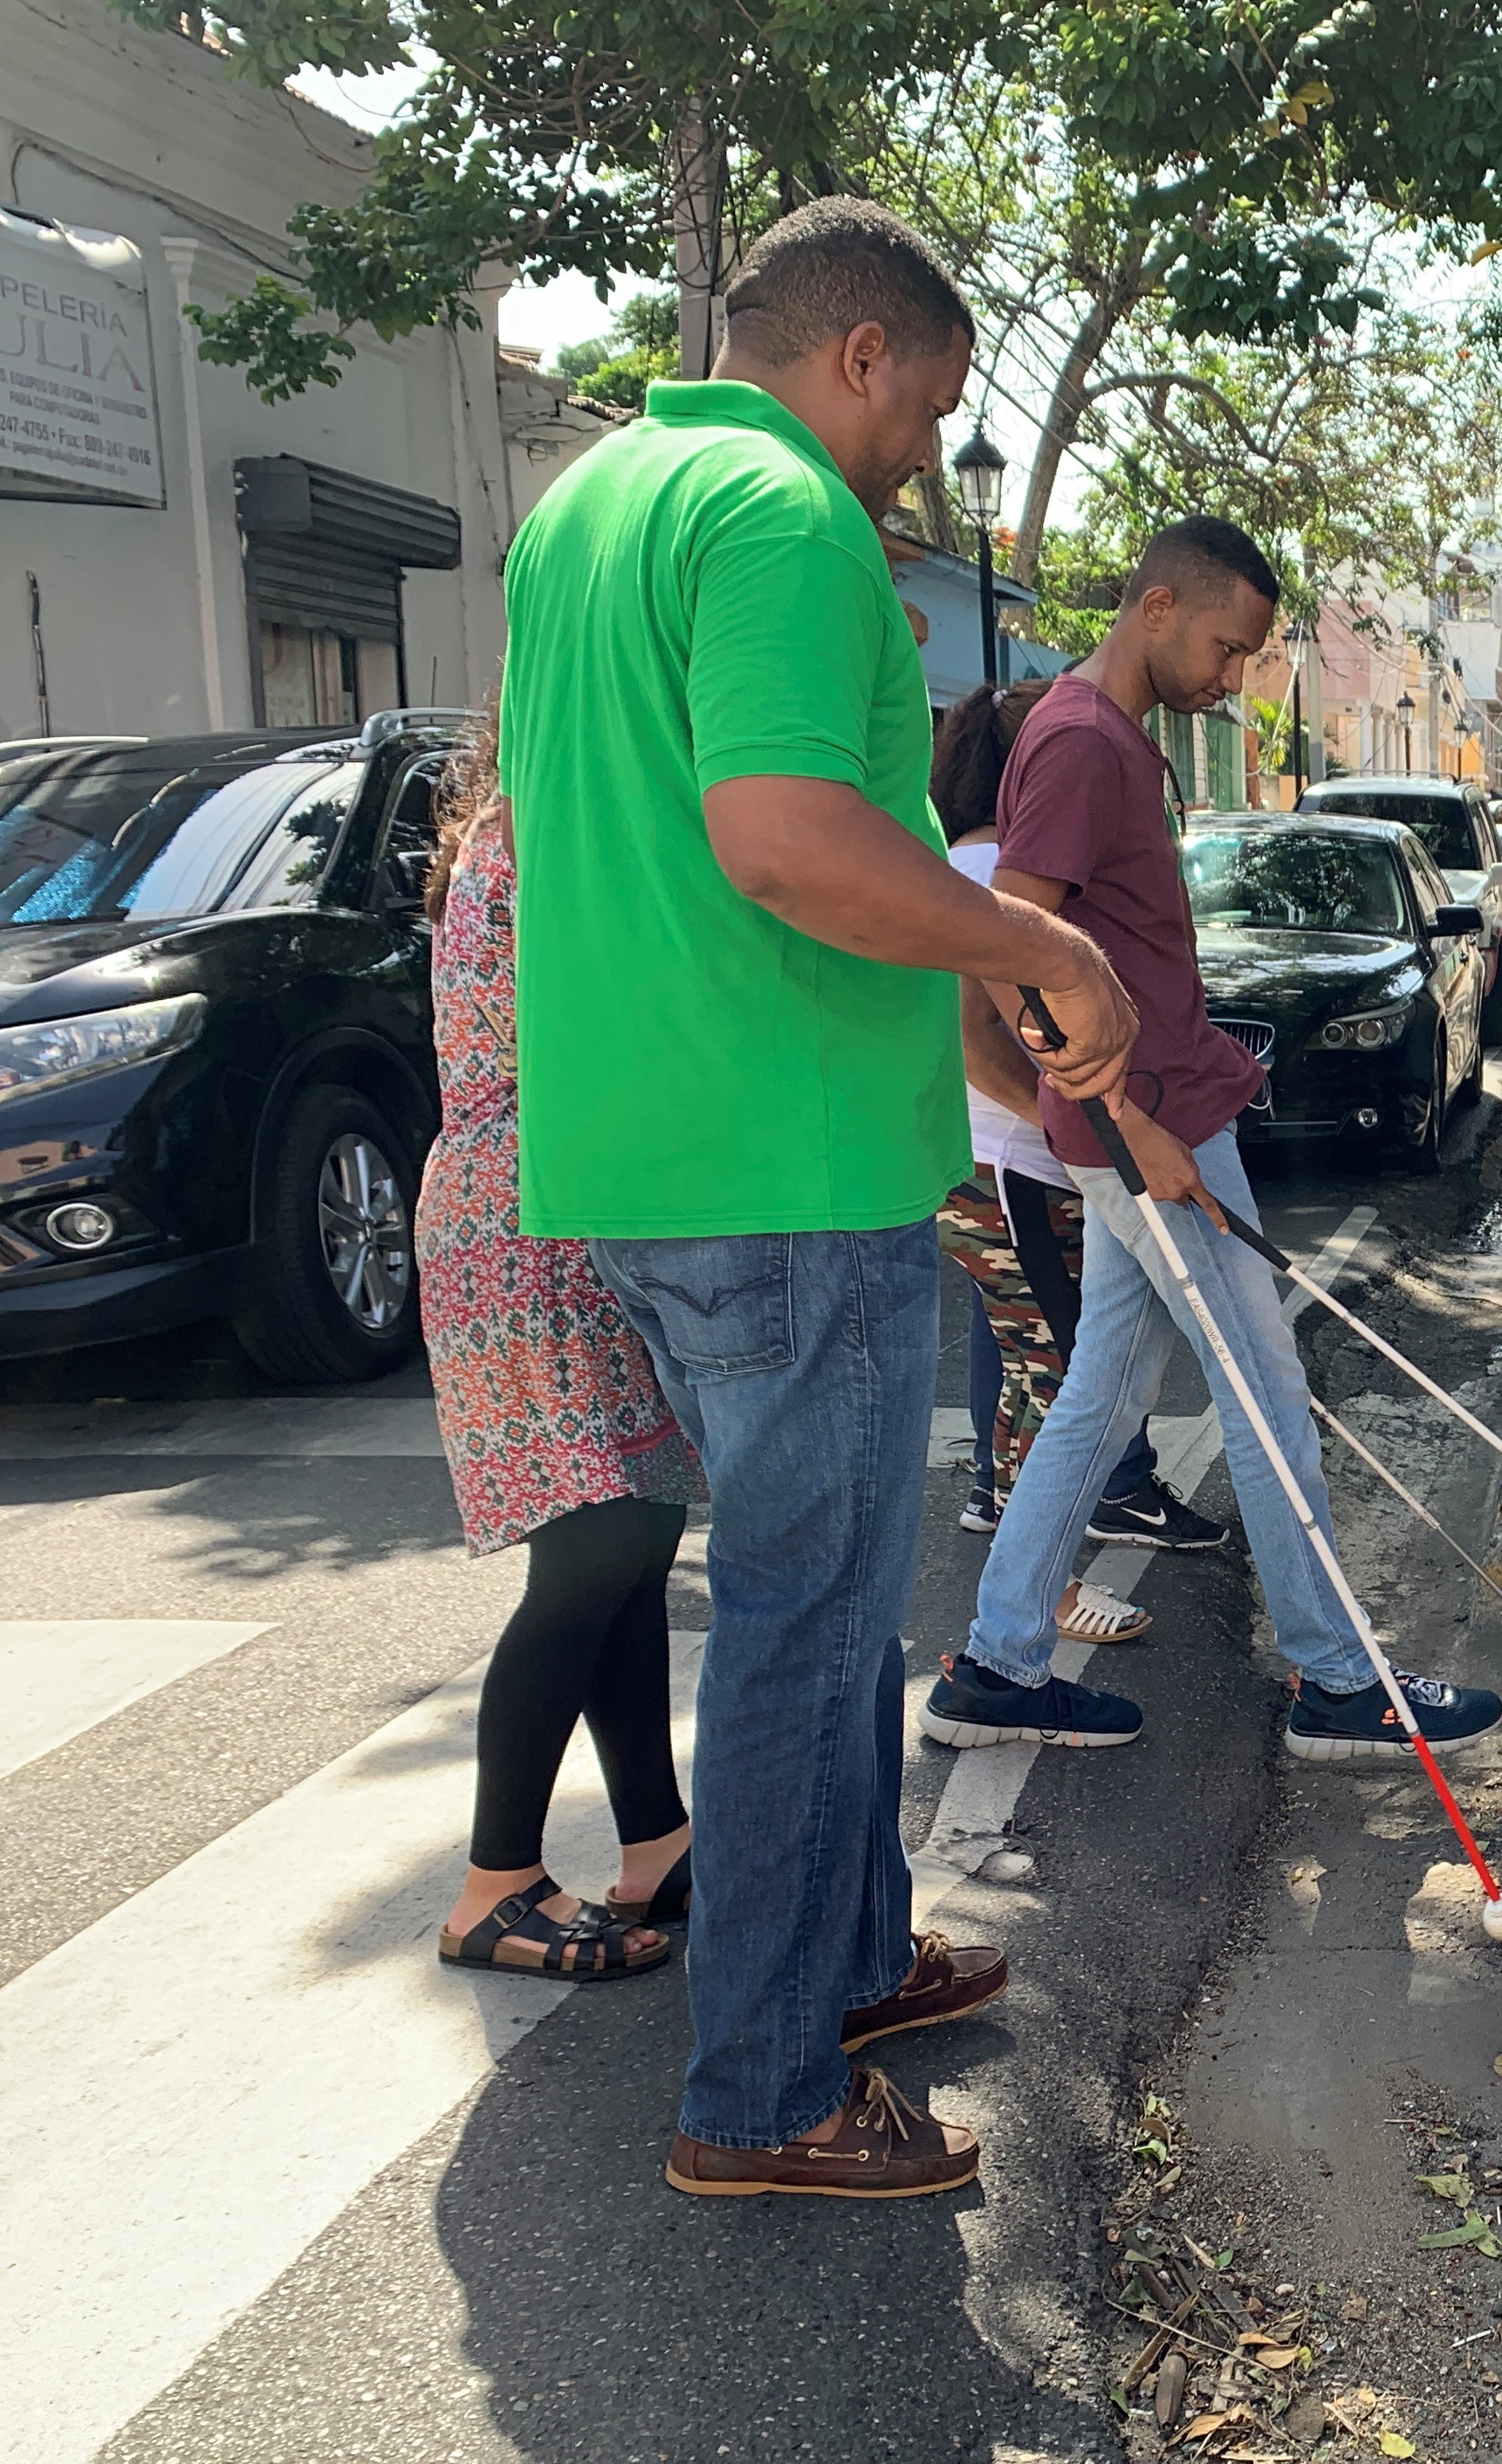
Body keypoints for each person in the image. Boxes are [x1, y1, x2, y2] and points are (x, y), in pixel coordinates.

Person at [504, 197, 1141, 2200]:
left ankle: (844, 1964)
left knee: (833, 1609)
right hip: (783, 1160)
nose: (920, 467)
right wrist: (1047, 951)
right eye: (931, 410)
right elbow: (784, 838)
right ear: (860, 350)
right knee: (804, 1625)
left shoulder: (588, 507)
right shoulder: (780, 521)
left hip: (656, 1143)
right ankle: (766, 2089)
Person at [921, 517, 1502, 1767]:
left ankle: (999, 1659)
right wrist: (1127, 1120)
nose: (1231, 678)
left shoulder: (1110, 737)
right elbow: (1015, 952)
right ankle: (1337, 1680)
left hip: (1155, 1115)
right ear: (1157, 608)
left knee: (1106, 1395)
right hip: (1153, 1123)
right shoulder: (1080, 741)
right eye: (1226, 648)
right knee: (1266, 1395)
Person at [420, 720, 700, 1984]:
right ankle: (494, 1882)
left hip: (553, 1201)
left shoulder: (525, 816)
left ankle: (654, 1835)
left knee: (629, 1538)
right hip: (520, 1214)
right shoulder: (541, 827)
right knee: (592, 1546)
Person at [927, 683, 1224, 1631]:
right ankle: (1037, 1602)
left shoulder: (972, 868)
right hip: (1010, 1164)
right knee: (1062, 1377)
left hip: (1003, 1164)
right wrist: (1077, 1121)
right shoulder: (986, 882)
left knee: (1034, 1362)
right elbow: (977, 1040)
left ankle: (1003, 1525)